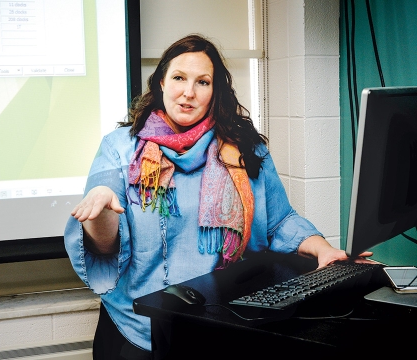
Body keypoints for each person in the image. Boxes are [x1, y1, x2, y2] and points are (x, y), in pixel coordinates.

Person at [64, 34, 373, 359]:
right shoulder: (120, 149)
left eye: (203, 82)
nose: (188, 92)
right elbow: (105, 249)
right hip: (140, 329)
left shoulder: (246, 149)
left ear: (216, 91)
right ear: (160, 83)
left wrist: (324, 250)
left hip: (222, 324)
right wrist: (102, 214)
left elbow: (280, 220)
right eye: (179, 78)